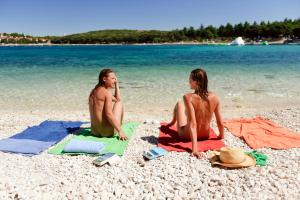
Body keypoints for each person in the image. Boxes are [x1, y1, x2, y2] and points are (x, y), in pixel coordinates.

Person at [167, 68, 224, 158]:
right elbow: (220, 122)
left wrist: (195, 149)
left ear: (197, 82)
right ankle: (172, 122)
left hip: (187, 136)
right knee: (187, 110)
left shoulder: (188, 97)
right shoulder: (215, 97)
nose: (188, 81)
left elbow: (193, 124)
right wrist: (221, 136)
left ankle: (172, 122)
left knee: (179, 104)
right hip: (206, 135)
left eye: (190, 79)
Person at [89, 68, 127, 140]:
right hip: (106, 133)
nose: (115, 80)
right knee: (119, 103)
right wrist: (120, 131)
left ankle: (116, 126)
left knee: (117, 102)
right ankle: (119, 126)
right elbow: (109, 114)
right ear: (104, 79)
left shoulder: (93, 92)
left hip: (94, 131)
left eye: (115, 79)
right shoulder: (107, 94)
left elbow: (116, 98)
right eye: (112, 78)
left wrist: (116, 84)